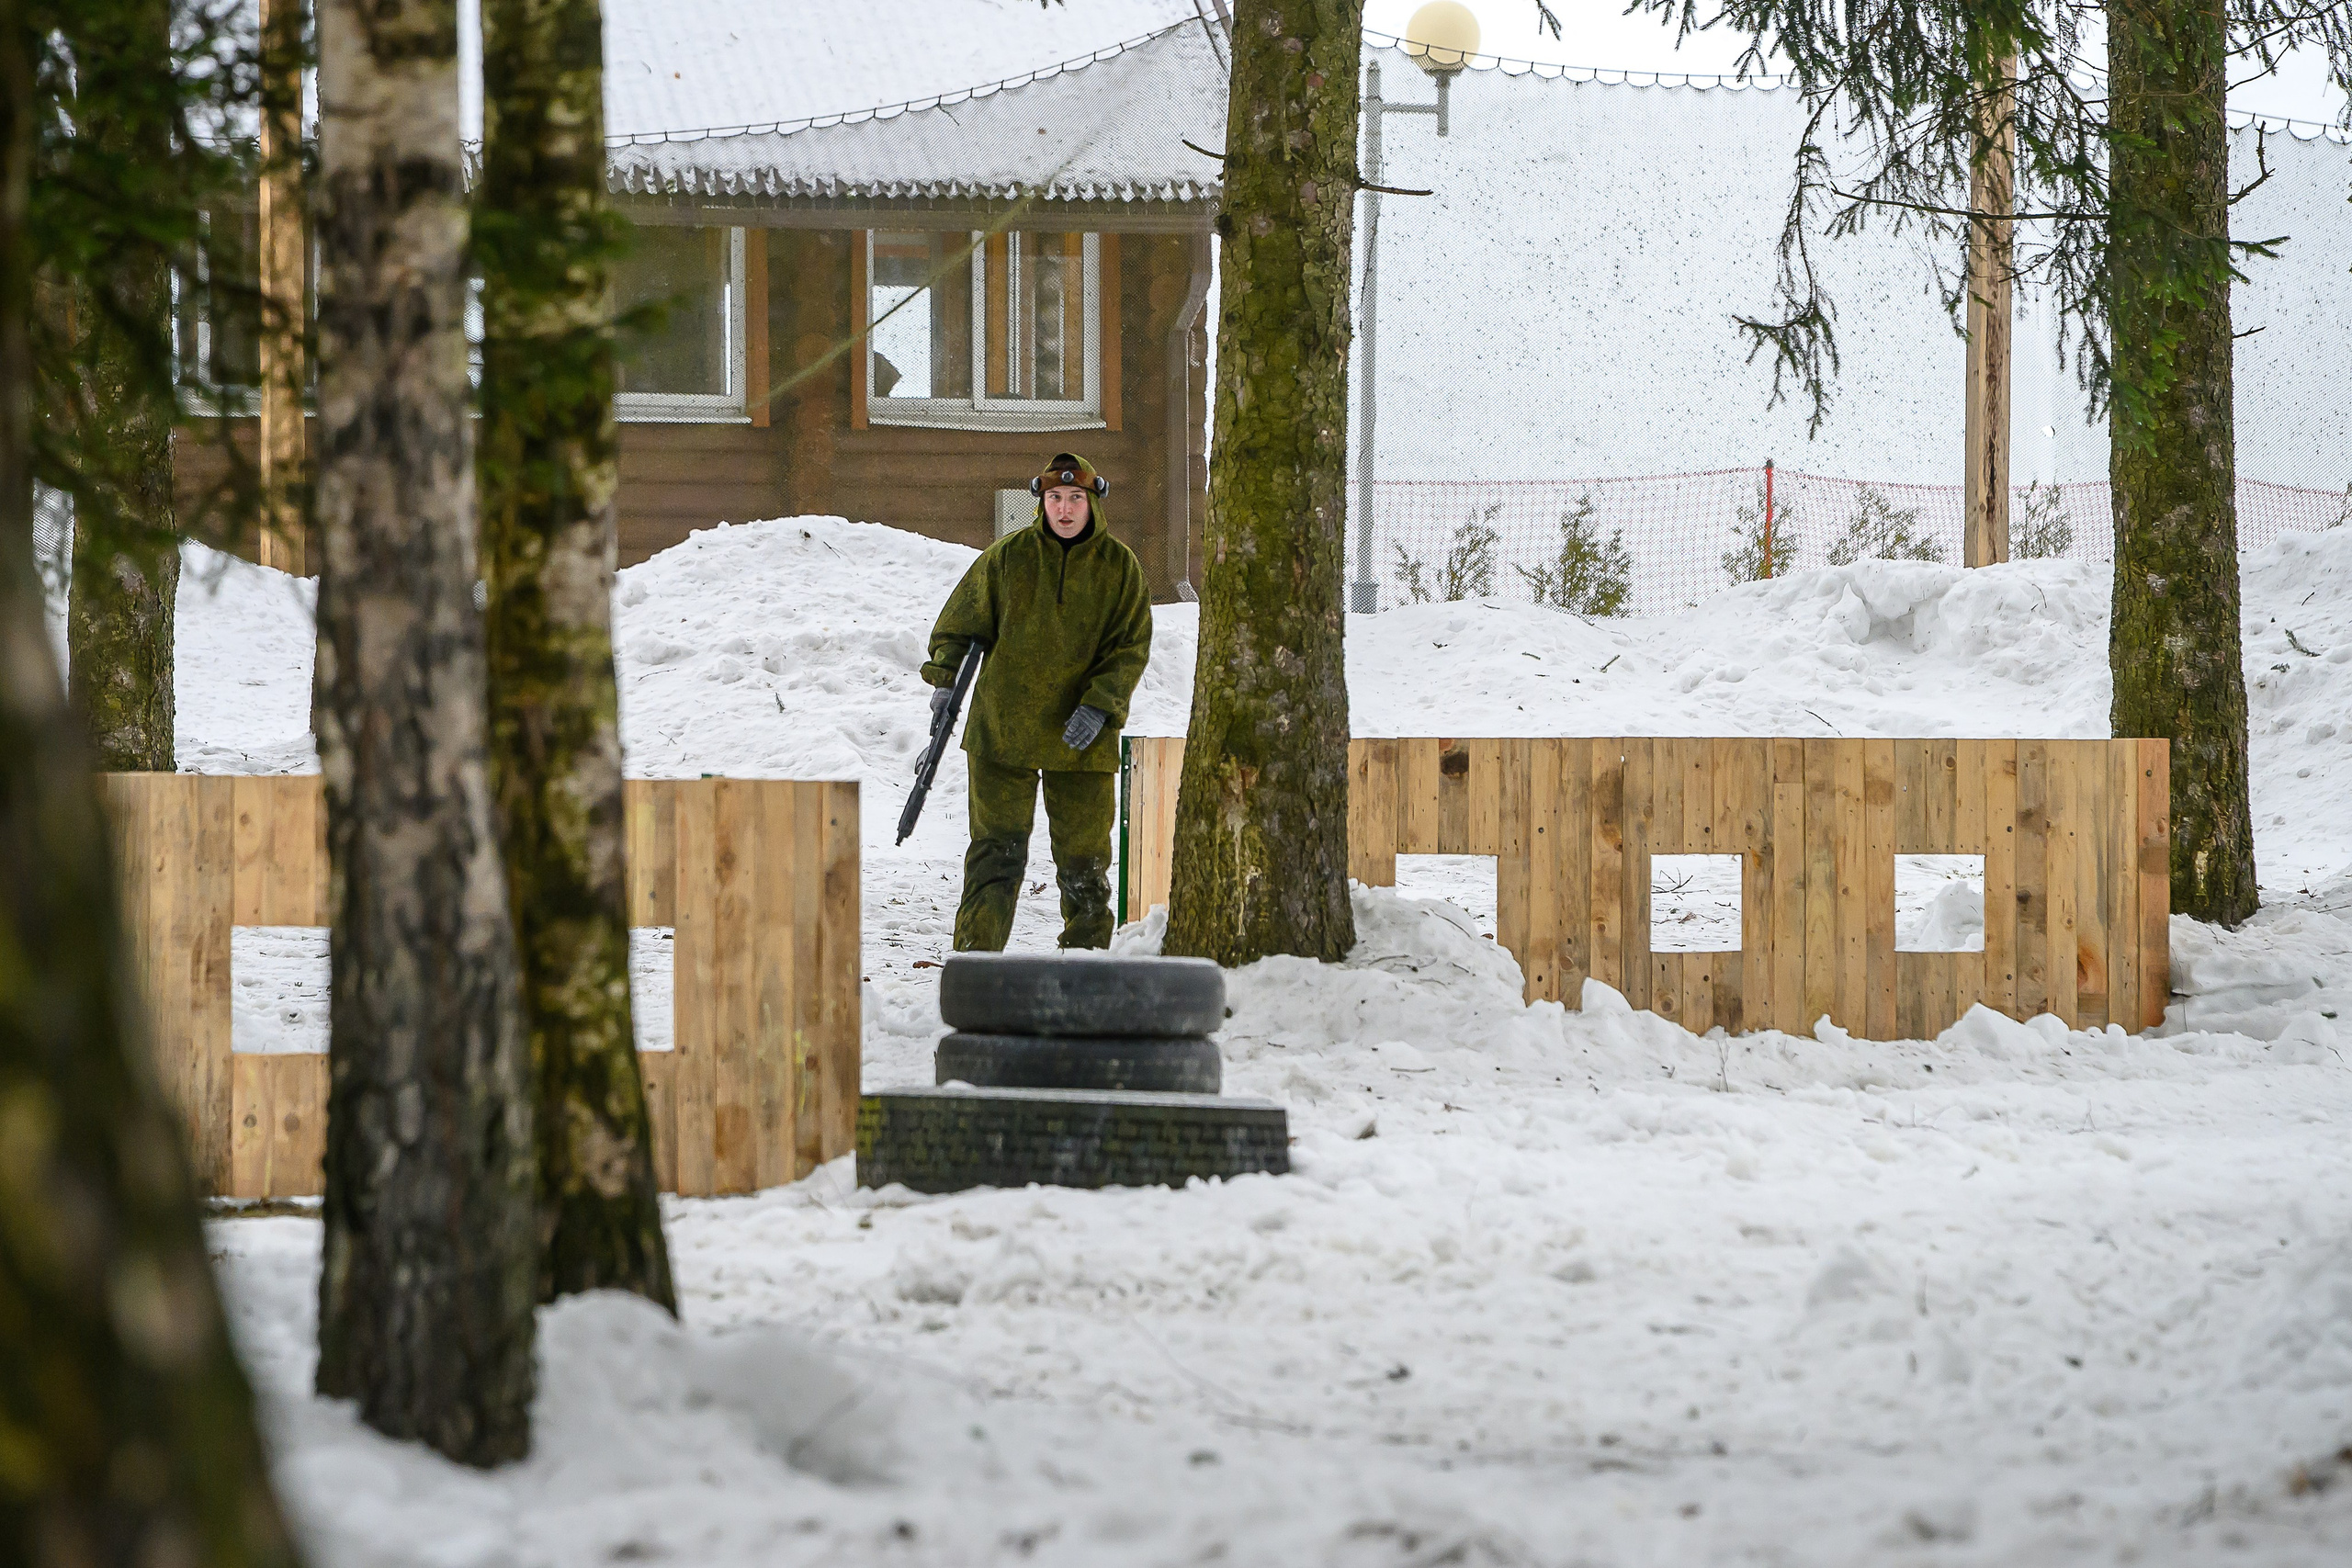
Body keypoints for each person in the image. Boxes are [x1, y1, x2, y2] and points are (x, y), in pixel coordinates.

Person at [922, 453, 1153, 951]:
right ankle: (977, 961)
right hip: (1002, 731)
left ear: (1093, 502)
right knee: (995, 854)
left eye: (1075, 499)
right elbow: (959, 626)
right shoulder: (1008, 558)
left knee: (1084, 862)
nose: (1064, 510)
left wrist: (1099, 705)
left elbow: (1130, 648)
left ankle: (1085, 960)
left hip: (1082, 735)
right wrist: (944, 682)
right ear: (1041, 502)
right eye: (1055, 498)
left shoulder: (1119, 569)